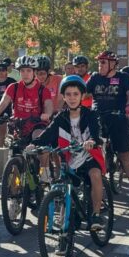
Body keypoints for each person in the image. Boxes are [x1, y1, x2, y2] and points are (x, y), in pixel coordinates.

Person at [31, 75, 107, 232]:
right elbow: (48, 133)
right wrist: (35, 144)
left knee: (95, 174)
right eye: (68, 94)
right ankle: (67, 216)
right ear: (63, 97)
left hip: (89, 155)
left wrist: (92, 141)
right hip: (70, 157)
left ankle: (96, 214)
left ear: (82, 96)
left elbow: (96, 132)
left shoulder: (90, 114)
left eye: (76, 94)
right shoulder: (61, 117)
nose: (72, 98)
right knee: (64, 183)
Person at [0, 56, 54, 181]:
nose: (25, 74)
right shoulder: (14, 87)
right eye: (22, 71)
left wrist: (47, 114)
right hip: (19, 125)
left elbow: (49, 105)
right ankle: (15, 187)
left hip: (37, 124)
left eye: (28, 70)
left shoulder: (42, 90)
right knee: (15, 155)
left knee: (40, 142)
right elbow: (4, 102)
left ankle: (45, 173)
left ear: (34, 72)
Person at [87, 51, 129, 201]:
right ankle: (96, 185)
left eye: (103, 62)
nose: (100, 65)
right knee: (94, 151)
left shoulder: (123, 78)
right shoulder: (95, 78)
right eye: (99, 62)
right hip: (98, 117)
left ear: (113, 64)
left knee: (124, 154)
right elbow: (83, 93)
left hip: (117, 117)